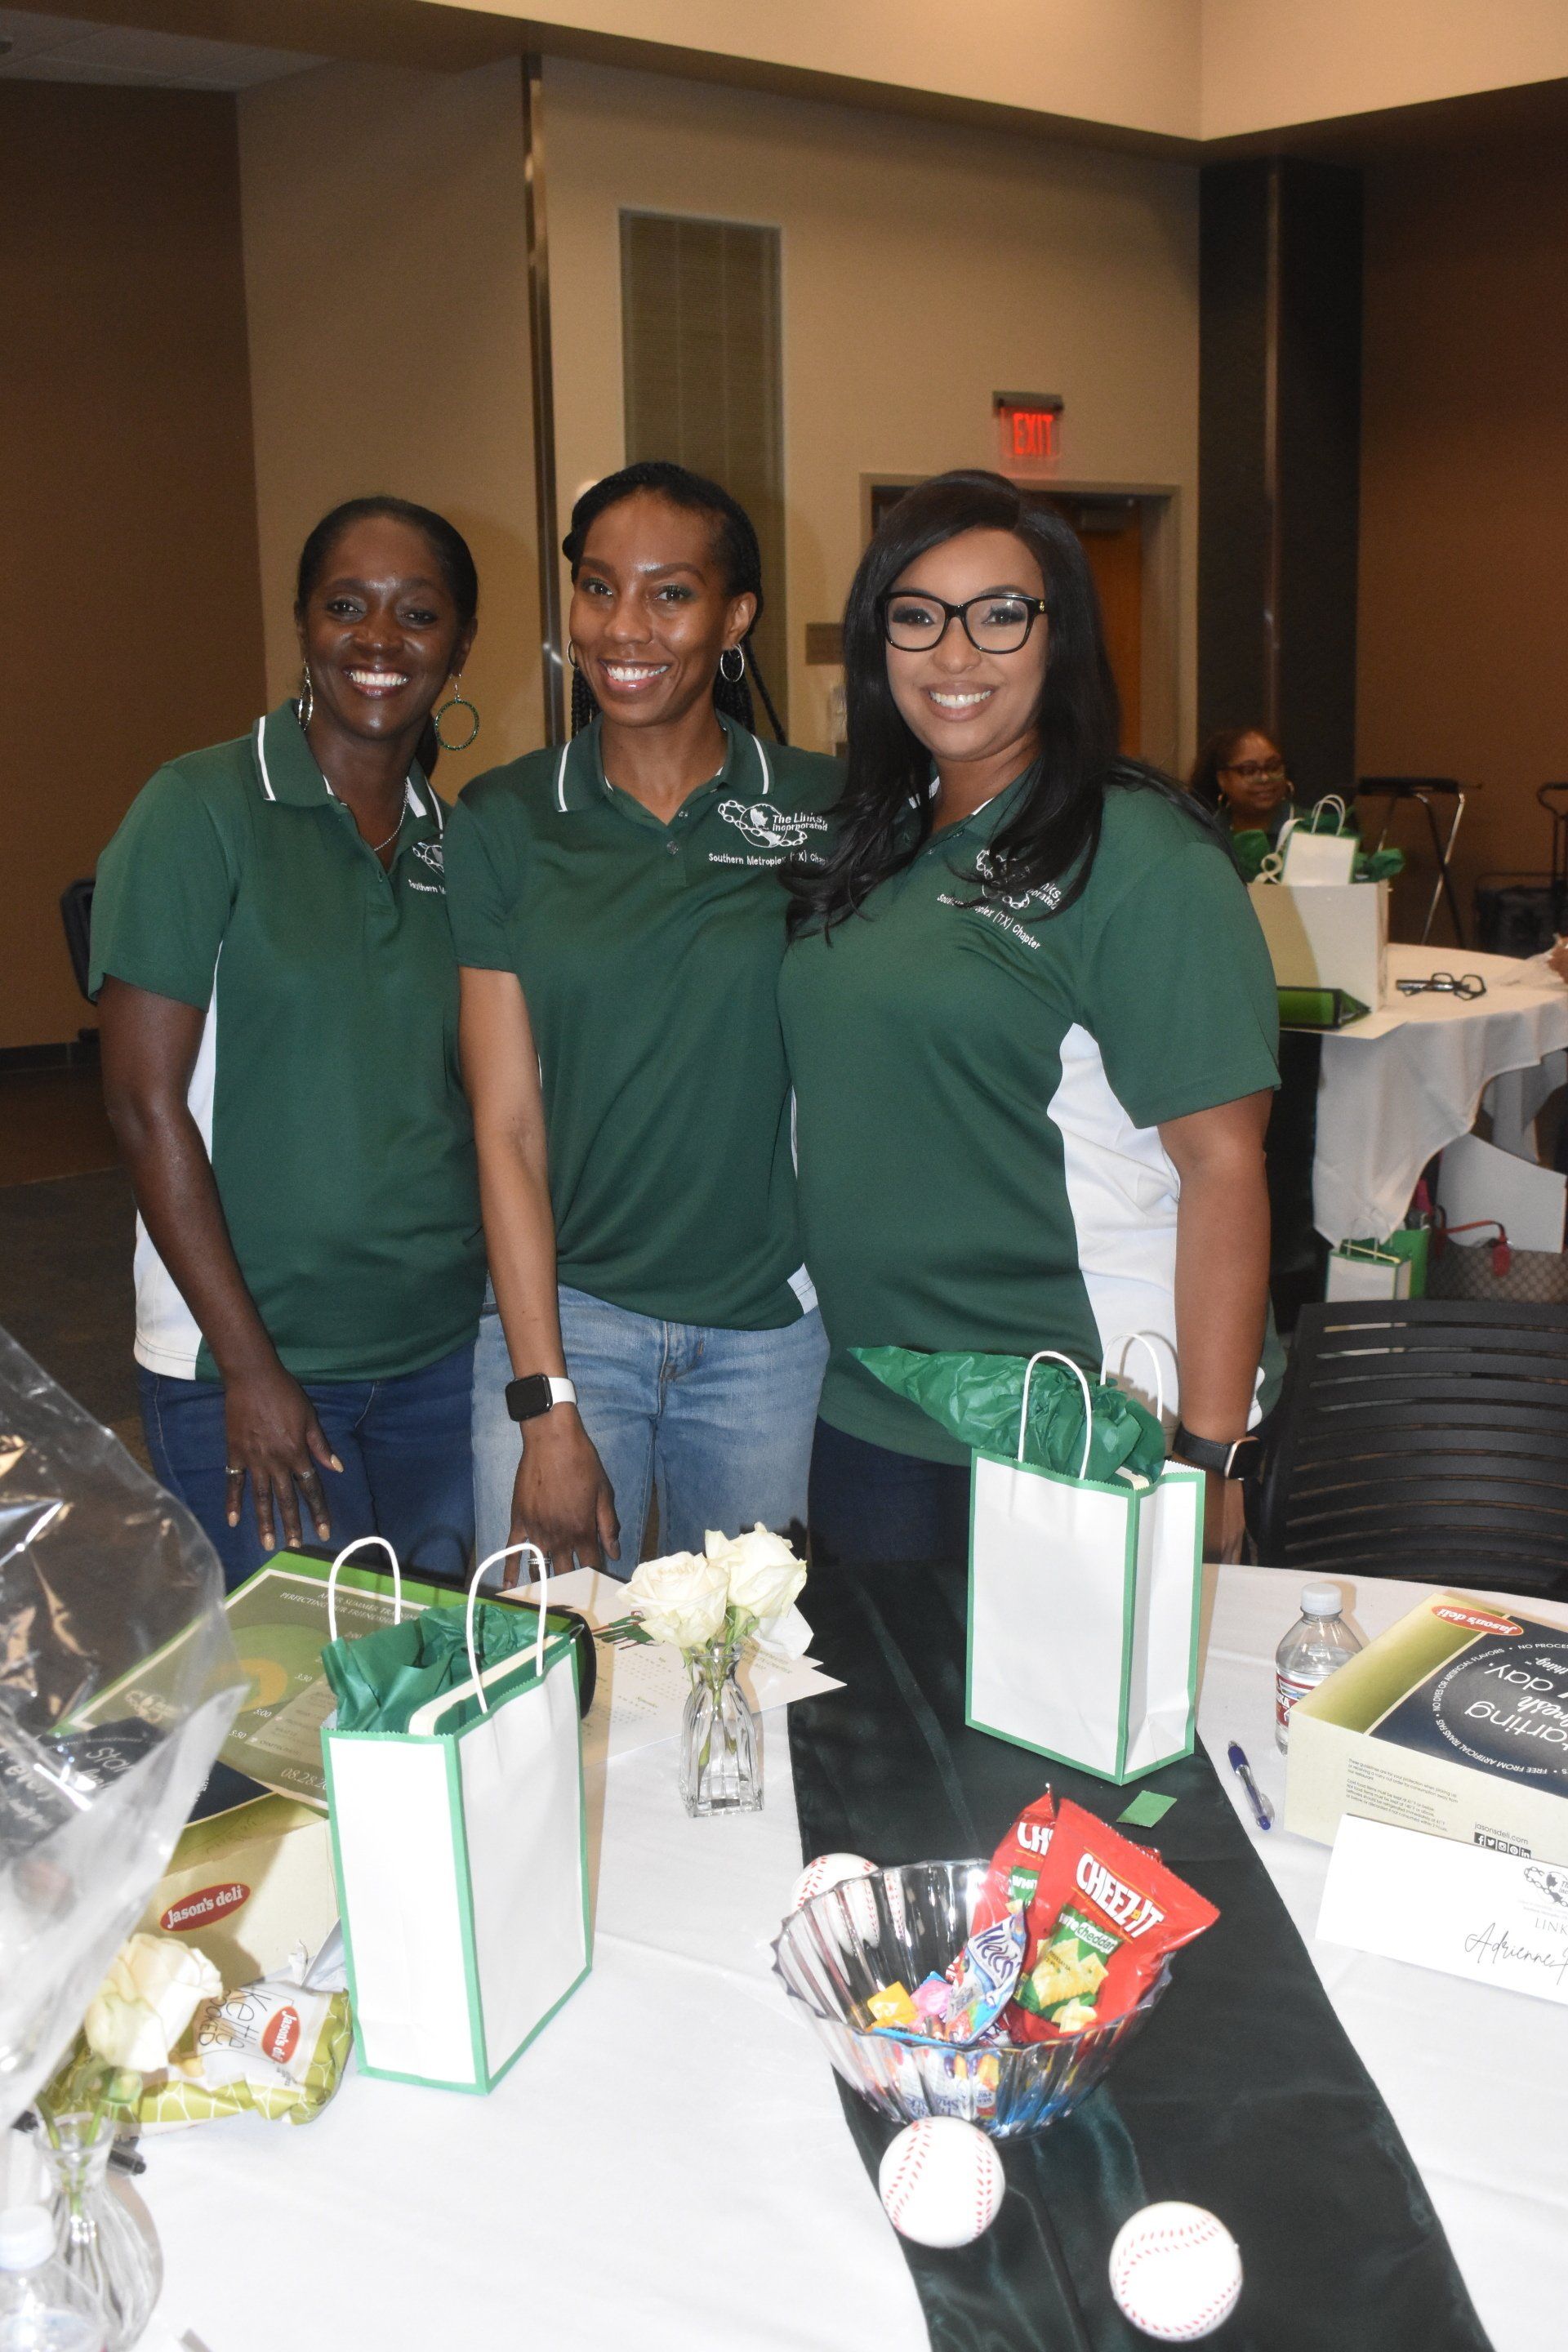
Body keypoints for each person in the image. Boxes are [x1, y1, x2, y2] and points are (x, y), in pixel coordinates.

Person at [779, 470, 1281, 1568]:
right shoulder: (877, 837)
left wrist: (1211, 1449)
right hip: (879, 1404)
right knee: (878, 1733)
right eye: (917, 616)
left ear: (1062, 638)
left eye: (1000, 614)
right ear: (878, 645)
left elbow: (1225, 1170)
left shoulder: (1143, 855)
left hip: (1079, 1417)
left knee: (1072, 1743)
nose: (954, 655)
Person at [446, 461, 840, 1578]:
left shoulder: (827, 806)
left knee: (754, 1688)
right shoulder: (508, 820)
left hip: (771, 1336)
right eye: (599, 588)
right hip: (569, 1322)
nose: (626, 628)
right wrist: (545, 1405)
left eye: (670, 594)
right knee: (539, 1675)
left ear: (735, 617)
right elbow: (507, 1128)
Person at [92, 497, 486, 1585]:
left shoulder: (457, 843)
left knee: (443, 1696)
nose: (377, 640)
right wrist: (249, 1371)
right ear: (304, 624)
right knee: (303, 1732)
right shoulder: (199, 807)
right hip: (250, 1365)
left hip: (439, 1356)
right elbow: (141, 1104)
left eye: (418, 613)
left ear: (460, 645)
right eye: (345, 606)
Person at [1188, 728, 1294, 841]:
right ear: (1223, 779)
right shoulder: (1203, 835)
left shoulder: (1309, 828)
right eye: (1249, 770)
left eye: (1273, 767)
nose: (1265, 778)